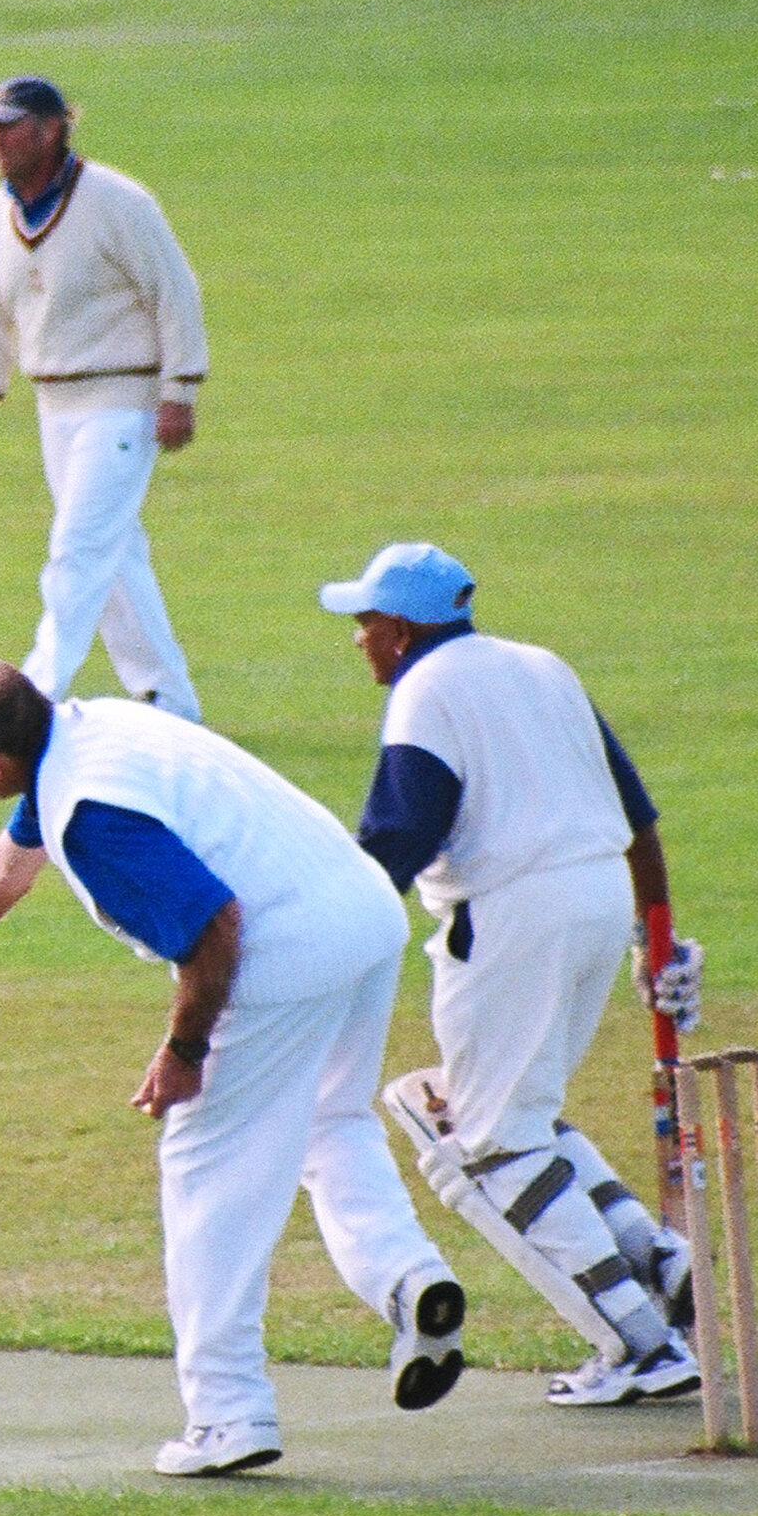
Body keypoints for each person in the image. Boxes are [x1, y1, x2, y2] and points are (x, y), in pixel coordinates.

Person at [0, 659, 469, 1477]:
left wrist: (184, 1052)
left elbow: (214, 928)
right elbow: (2, 869)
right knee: (329, 1120)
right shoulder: (85, 731)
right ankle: (409, 1281)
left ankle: (228, 1413)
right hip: (364, 915)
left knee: (206, 1176)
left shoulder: (93, 818)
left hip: (285, 951)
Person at [319, 542, 706, 1408]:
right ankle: (658, 1260)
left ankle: (641, 1344)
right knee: (524, 1117)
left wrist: (323, 936)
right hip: (598, 900)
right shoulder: (542, 665)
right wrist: (655, 936)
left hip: (508, 916)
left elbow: (398, 839)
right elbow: (638, 815)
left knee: (489, 1145)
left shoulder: (424, 689)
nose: (357, 638)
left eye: (366, 621)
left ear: (402, 627)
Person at [0, 77, 209, 722]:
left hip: (123, 402)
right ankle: (170, 699)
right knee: (115, 555)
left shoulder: (117, 202)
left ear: (51, 130)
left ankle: (32, 700)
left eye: (8, 126)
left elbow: (175, 291)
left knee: (79, 547)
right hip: (54, 408)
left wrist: (179, 389)